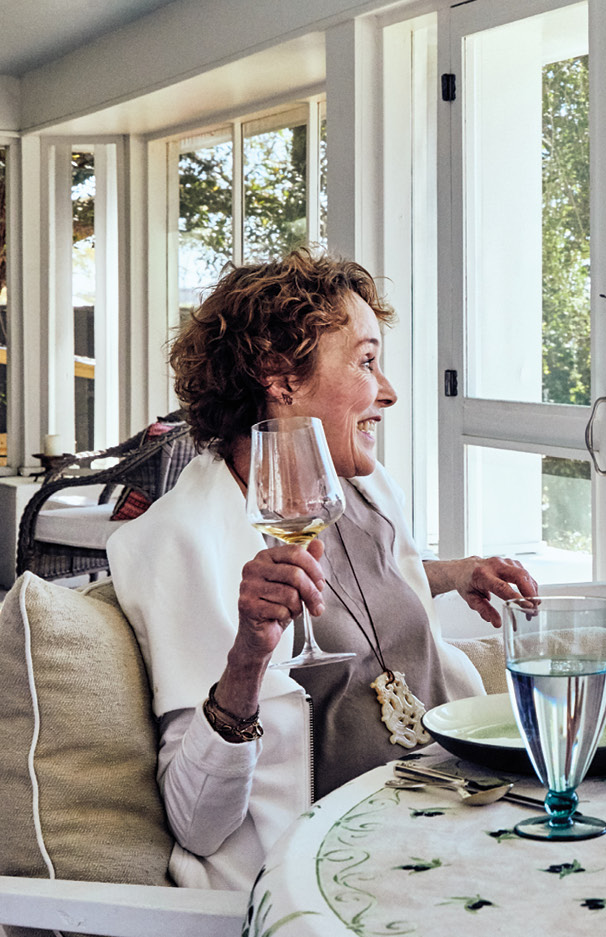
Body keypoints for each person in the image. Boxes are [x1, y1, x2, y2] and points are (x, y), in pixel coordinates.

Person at [108, 250, 537, 890]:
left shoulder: (362, 489)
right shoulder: (177, 542)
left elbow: (382, 578)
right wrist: (250, 653)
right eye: (366, 362)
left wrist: (459, 572)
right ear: (281, 378)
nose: (387, 391)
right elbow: (198, 822)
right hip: (336, 876)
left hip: (464, 817)